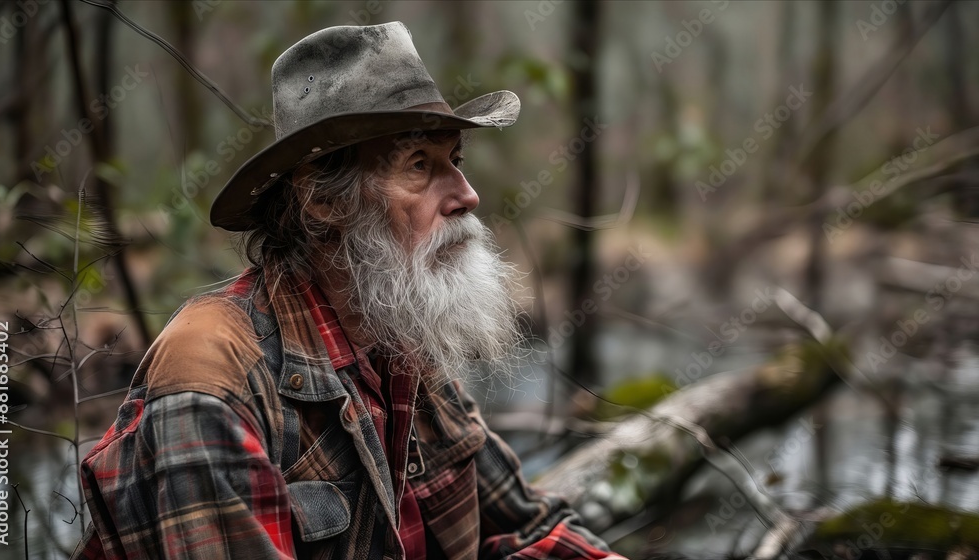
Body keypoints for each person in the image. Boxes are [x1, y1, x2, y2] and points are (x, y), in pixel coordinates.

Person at [72, 21, 625, 560]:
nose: (467, 194)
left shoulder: (402, 344)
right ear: (324, 201)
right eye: (419, 164)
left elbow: (526, 528)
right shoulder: (212, 382)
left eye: (455, 161)